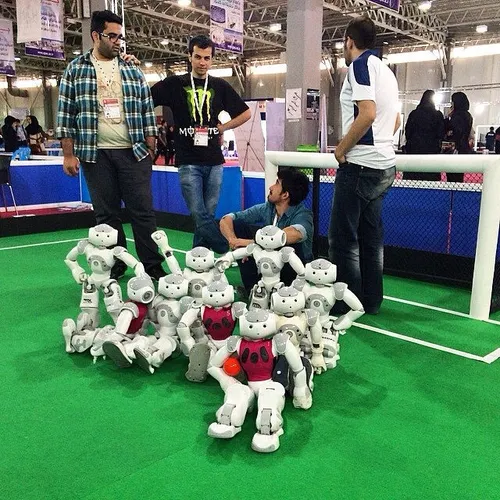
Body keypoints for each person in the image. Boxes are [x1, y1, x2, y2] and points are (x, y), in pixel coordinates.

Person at [56, 9, 166, 281]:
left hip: (134, 152)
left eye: (120, 37)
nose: (118, 41)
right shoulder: (76, 69)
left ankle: (152, 265)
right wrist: (68, 155)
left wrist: (151, 146)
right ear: (96, 35)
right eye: (112, 36)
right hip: (96, 154)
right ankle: (116, 262)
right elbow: (65, 113)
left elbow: (145, 108)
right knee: (106, 215)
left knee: (143, 212)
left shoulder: (131, 68)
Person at [151, 34, 251, 253]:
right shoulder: (175, 84)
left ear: (212, 59)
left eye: (207, 58)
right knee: (198, 212)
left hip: (215, 161)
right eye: (198, 57)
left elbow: (246, 113)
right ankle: (229, 246)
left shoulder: (219, 85)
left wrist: (222, 128)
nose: (202, 62)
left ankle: (199, 261)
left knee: (206, 214)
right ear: (189, 56)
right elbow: (145, 99)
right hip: (188, 161)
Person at [329, 16, 400, 316]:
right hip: (385, 167)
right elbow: (395, 120)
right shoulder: (388, 72)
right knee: (372, 238)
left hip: (359, 166)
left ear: (349, 41)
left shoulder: (359, 67)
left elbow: (367, 114)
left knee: (344, 239)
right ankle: (371, 301)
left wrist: (341, 149)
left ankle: (348, 304)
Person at [218, 168, 313, 296]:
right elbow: (227, 219)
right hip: (266, 266)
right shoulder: (268, 208)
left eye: (277, 183)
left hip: (291, 272)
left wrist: (248, 244)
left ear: (285, 195)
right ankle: (252, 290)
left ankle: (288, 293)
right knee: (238, 225)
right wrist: (233, 241)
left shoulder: (303, 214)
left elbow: (292, 235)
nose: (271, 187)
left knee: (290, 245)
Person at [404, 90, 444, 181]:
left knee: (412, 181)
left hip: (414, 152)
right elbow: (440, 134)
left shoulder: (414, 114)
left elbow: (408, 132)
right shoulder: (437, 115)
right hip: (431, 153)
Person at [443, 91, 473, 183]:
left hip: (455, 149)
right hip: (462, 149)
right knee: (458, 176)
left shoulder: (458, 116)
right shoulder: (467, 115)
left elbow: (454, 132)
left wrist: (448, 119)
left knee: (453, 177)